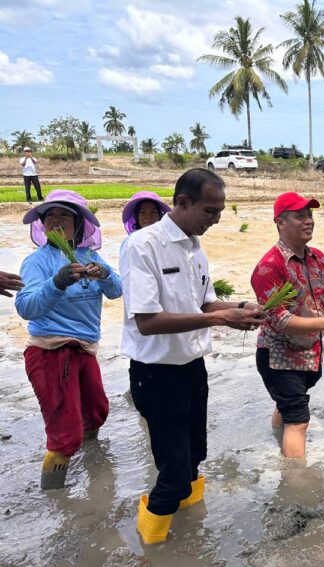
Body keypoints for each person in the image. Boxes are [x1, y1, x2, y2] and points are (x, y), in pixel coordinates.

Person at [120, 168, 264, 545]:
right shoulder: (142, 246)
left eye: (220, 212)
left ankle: (188, 537)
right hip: (156, 373)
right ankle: (152, 549)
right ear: (182, 202)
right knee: (174, 470)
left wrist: (243, 309)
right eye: (209, 211)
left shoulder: (194, 247)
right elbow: (148, 321)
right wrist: (219, 318)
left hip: (192, 369)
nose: (216, 220)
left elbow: (204, 302)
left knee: (196, 453)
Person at [14, 189, 122, 490]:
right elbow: (26, 307)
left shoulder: (90, 257)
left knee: (97, 411)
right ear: (42, 224)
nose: (57, 222)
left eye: (65, 216)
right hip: (51, 351)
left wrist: (105, 274)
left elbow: (116, 291)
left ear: (79, 224)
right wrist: (58, 282)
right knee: (65, 434)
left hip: (85, 350)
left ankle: (93, 471)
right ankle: (55, 498)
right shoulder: (37, 262)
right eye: (51, 217)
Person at [251, 191, 324, 459]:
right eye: (300, 215)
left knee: (288, 408)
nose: (308, 220)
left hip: (310, 353)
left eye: (310, 215)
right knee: (299, 420)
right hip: (279, 357)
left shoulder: (318, 258)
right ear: (280, 222)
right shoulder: (269, 267)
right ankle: (296, 486)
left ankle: (275, 442)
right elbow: (280, 320)